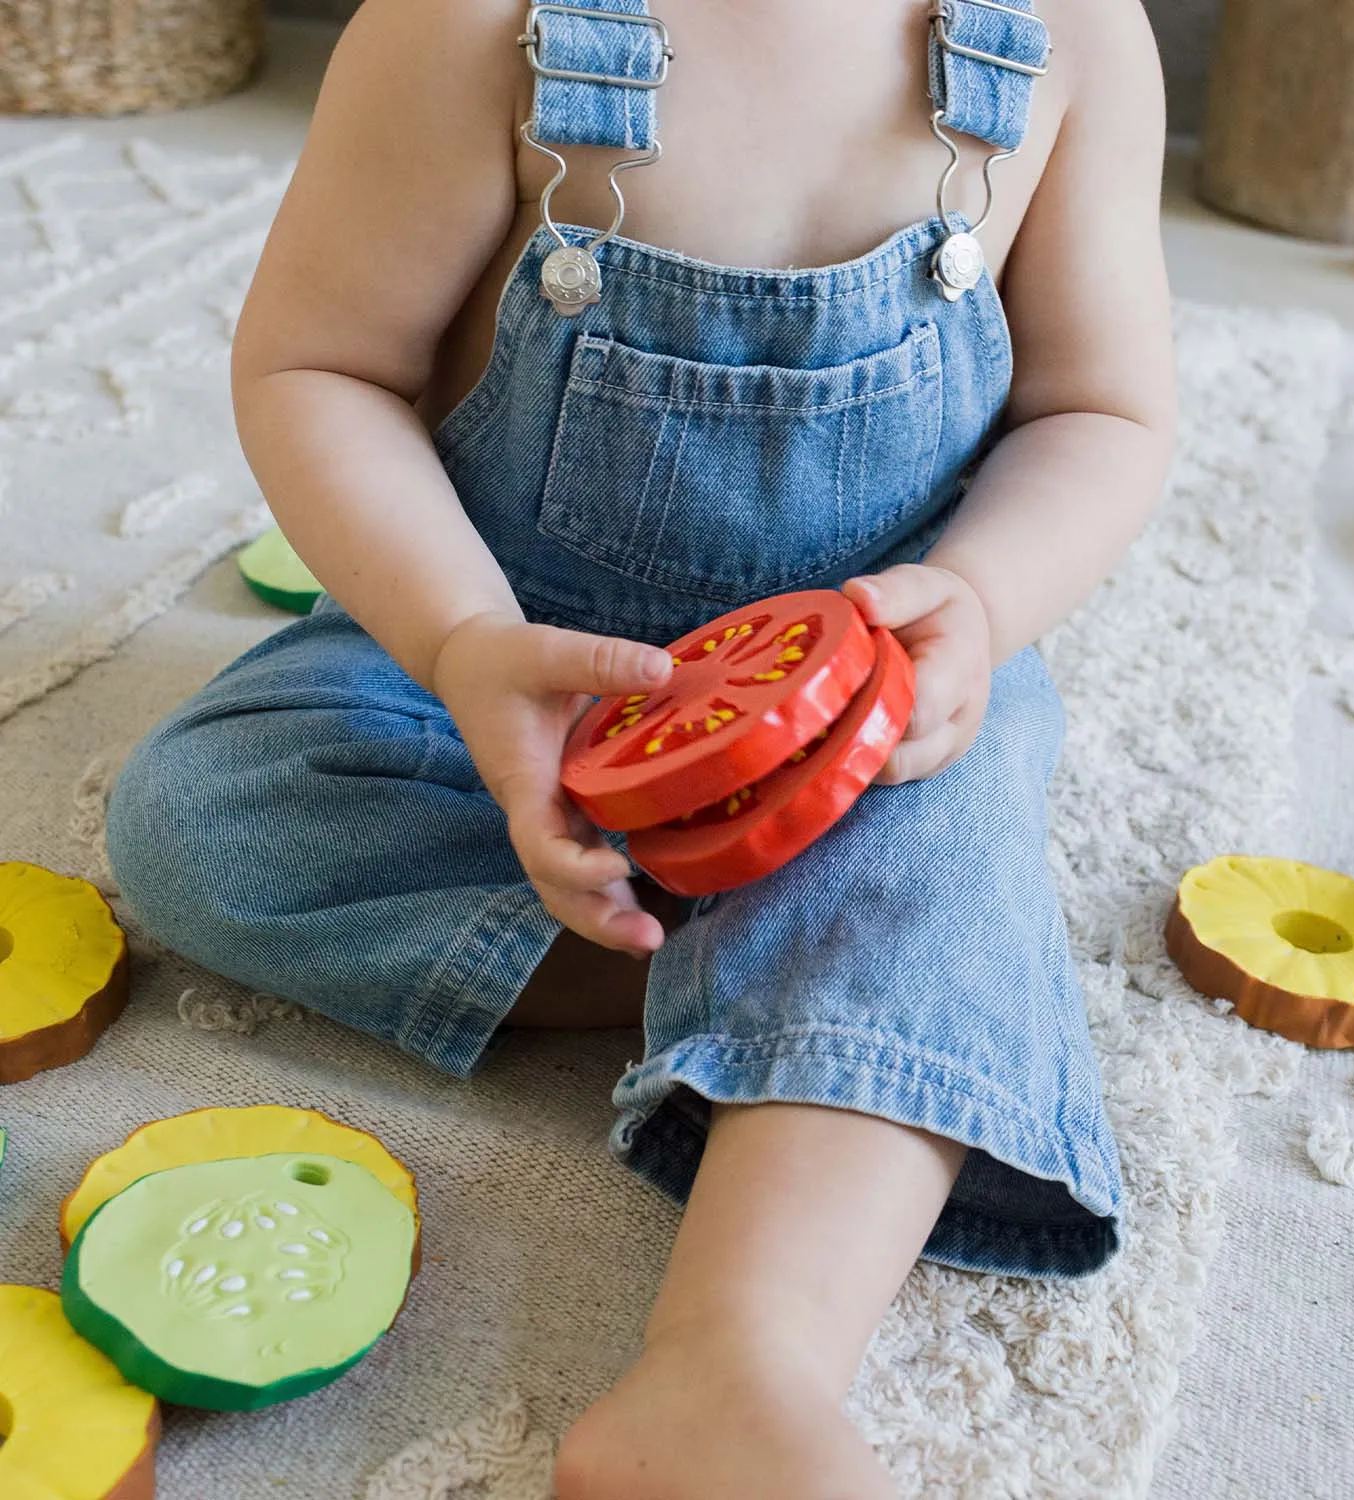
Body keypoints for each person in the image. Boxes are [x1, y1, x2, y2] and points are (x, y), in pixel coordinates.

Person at [107, 2, 1177, 1494]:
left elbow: (1100, 408)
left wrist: (983, 604)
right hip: (524, 650)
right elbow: (321, 370)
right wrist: (460, 642)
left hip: (875, 708)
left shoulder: (1068, 38)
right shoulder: (470, 29)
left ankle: (741, 1358)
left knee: (945, 809)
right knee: (197, 817)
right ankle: (826, 979)